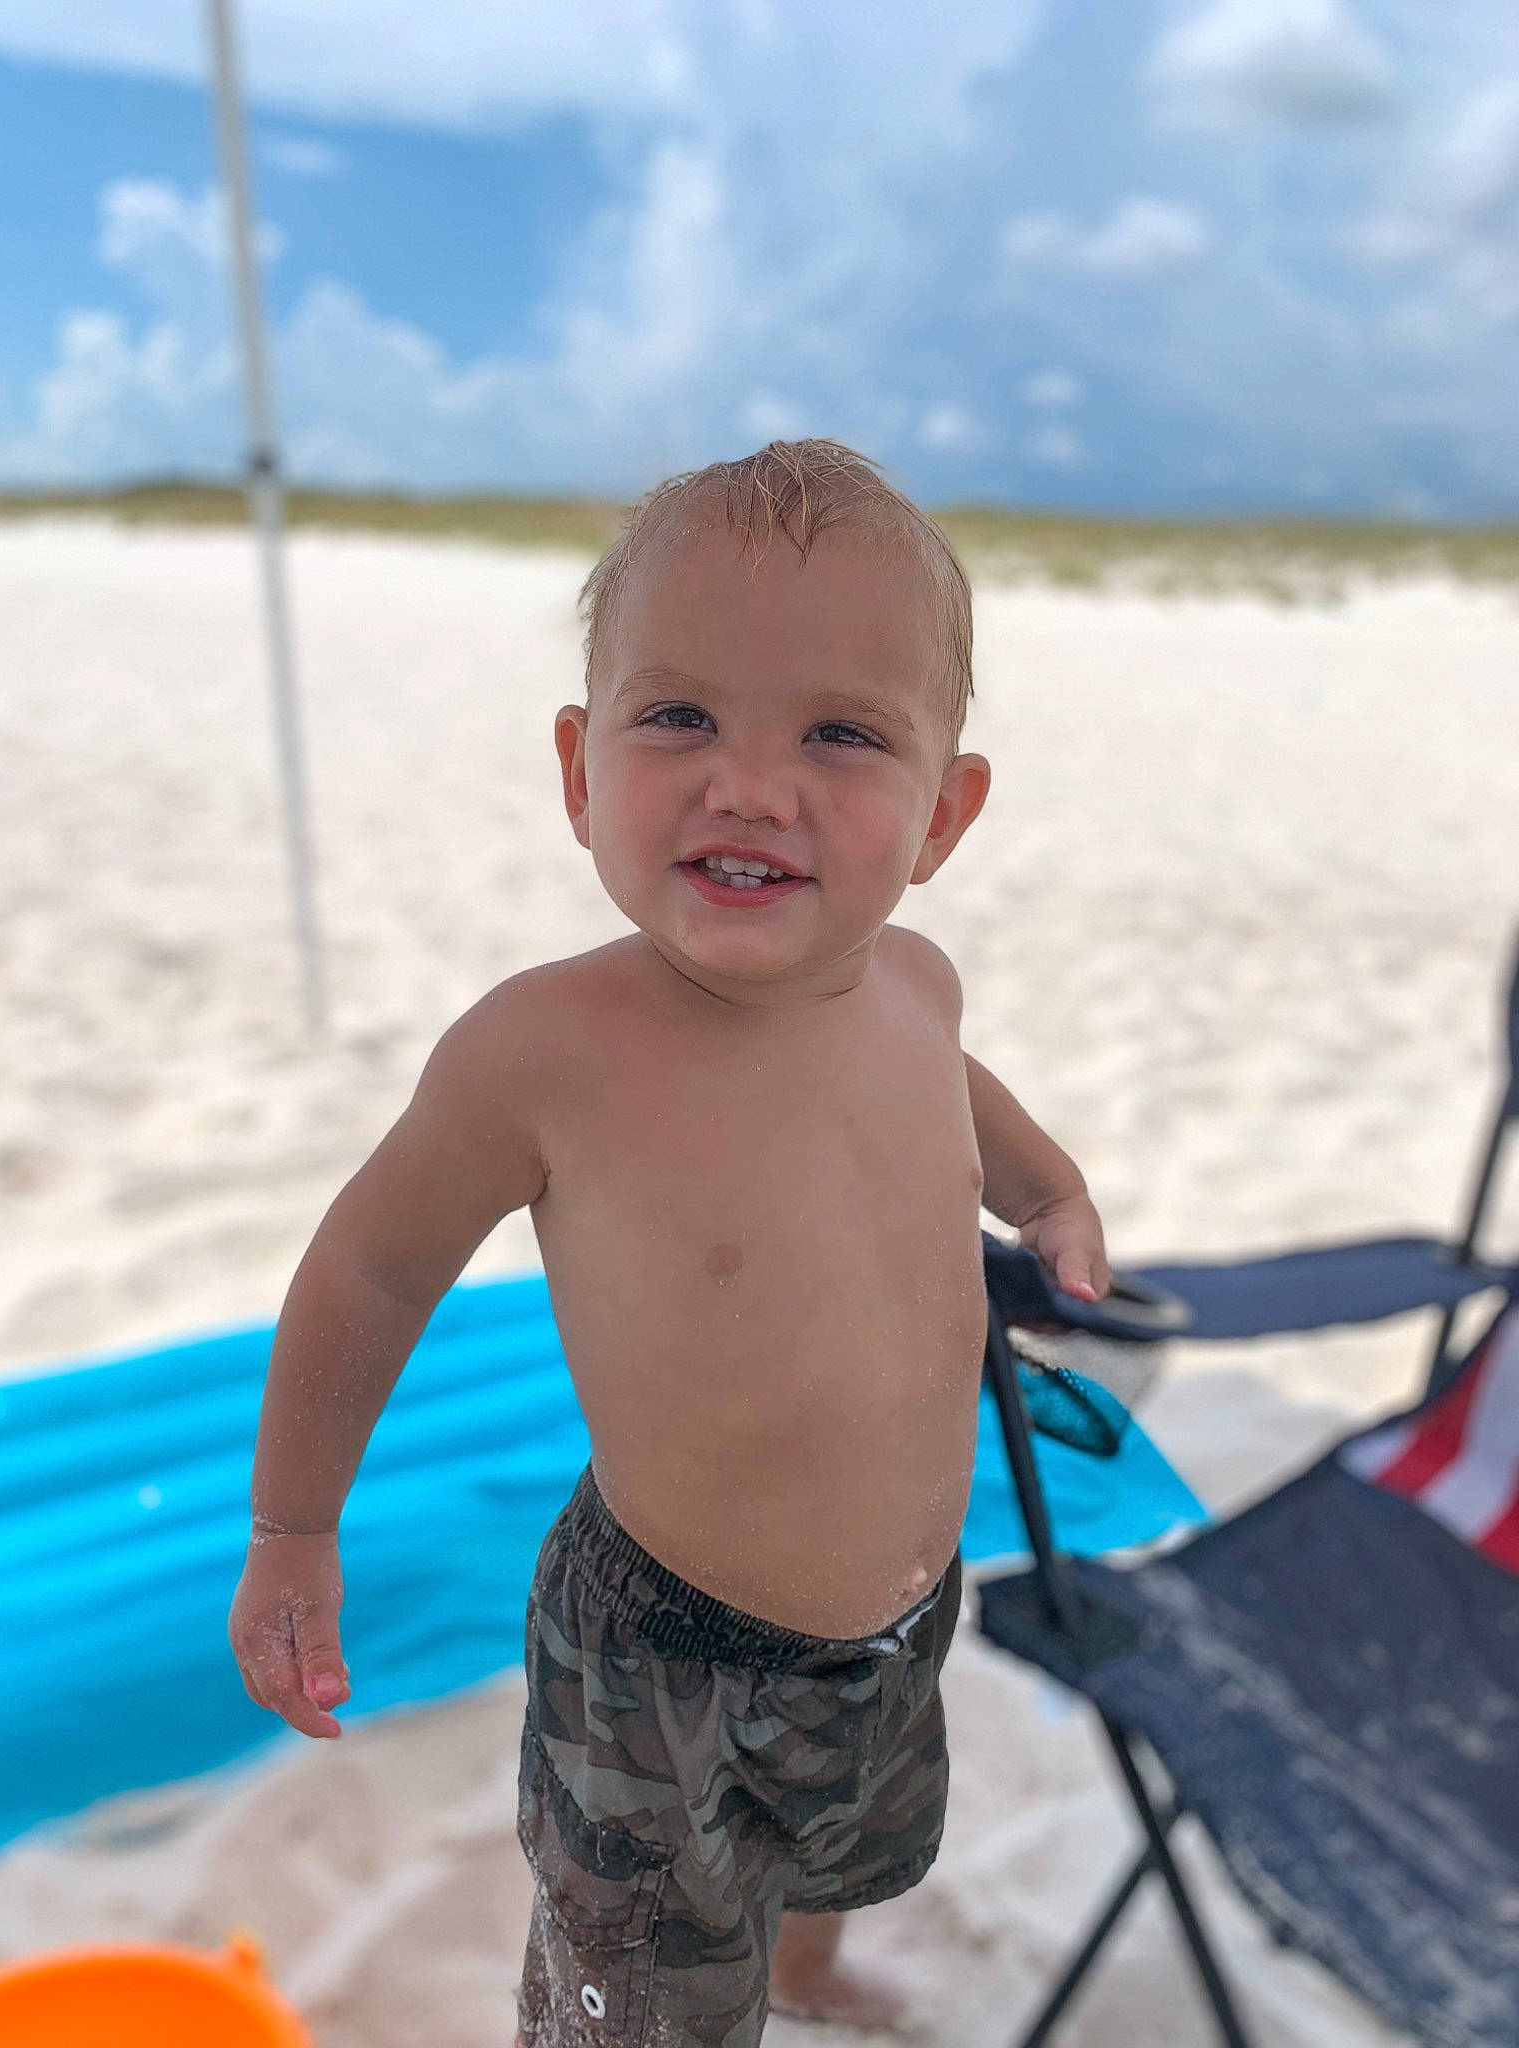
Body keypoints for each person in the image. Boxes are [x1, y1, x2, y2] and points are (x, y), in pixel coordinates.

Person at [229, 440, 1108, 2046]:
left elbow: (961, 1092)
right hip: (663, 1659)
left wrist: (1045, 1192)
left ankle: (807, 1975)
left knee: (843, 1844)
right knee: (637, 1979)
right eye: (681, 717)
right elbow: (370, 1266)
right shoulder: (545, 1052)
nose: (749, 785)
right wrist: (294, 1524)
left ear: (942, 813)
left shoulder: (916, 983)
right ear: (580, 771)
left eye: (840, 733)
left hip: (899, 1618)